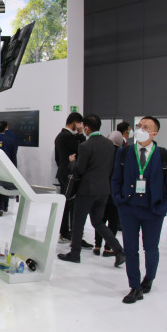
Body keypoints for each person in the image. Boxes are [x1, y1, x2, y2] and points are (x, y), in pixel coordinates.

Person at [111, 116, 167, 304]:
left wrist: (164, 208)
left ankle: (149, 278)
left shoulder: (165, 155)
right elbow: (116, 178)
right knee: (130, 249)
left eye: (146, 127)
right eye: (139, 126)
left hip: (153, 210)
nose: (140, 129)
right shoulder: (124, 152)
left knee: (150, 248)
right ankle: (134, 287)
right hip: (128, 209)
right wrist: (119, 200)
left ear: (154, 133)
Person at [58, 114, 125, 266]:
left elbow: (80, 170)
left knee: (78, 222)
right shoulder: (109, 144)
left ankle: (75, 253)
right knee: (98, 222)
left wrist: (72, 162)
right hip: (103, 189)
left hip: (87, 190)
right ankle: (119, 250)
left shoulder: (85, 146)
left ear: (87, 128)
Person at [54, 112, 92, 246]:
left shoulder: (60, 136)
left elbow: (57, 158)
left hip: (64, 172)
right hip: (69, 175)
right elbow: (83, 149)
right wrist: (81, 134)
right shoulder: (67, 136)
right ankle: (67, 233)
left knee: (66, 204)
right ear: (75, 122)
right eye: (80, 124)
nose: (81, 126)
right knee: (70, 205)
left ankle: (66, 232)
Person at [93, 131, 124, 255]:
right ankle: (108, 248)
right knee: (113, 220)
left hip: (101, 189)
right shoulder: (121, 153)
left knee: (100, 219)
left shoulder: (102, 151)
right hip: (115, 192)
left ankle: (97, 246)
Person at [0, 121, 18, 212]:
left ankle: (0, 207)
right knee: (6, 185)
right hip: (8, 165)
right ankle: (5, 206)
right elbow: (14, 154)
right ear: (6, 127)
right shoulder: (11, 139)